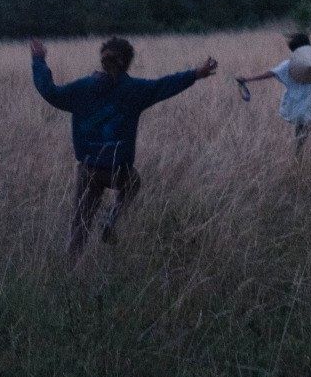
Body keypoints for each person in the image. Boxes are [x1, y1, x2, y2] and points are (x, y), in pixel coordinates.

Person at [30, 36, 218, 261]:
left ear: (102, 61)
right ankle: (112, 217)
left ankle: (70, 268)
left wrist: (39, 60)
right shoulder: (135, 90)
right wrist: (196, 73)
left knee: (80, 223)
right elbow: (164, 85)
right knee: (133, 183)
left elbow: (50, 92)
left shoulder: (81, 88)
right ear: (128, 62)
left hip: (89, 167)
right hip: (119, 169)